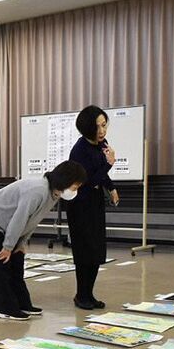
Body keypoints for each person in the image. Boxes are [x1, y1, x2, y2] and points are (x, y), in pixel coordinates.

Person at [0, 161, 87, 320]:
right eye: (75, 186)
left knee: (17, 261)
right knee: (0, 264)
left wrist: (20, 243)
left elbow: (33, 220)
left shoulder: (53, 193)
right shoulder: (38, 190)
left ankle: (22, 304)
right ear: (65, 180)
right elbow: (19, 219)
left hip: (8, 224)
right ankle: (4, 308)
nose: (76, 190)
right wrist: (8, 246)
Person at [66, 105, 118, 310]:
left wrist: (111, 188)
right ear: (87, 128)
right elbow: (87, 181)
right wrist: (109, 165)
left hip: (94, 203)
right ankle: (81, 295)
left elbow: (100, 175)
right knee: (84, 251)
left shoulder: (100, 144)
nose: (102, 131)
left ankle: (89, 294)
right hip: (80, 205)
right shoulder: (79, 150)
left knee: (96, 250)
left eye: (104, 125)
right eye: (97, 127)